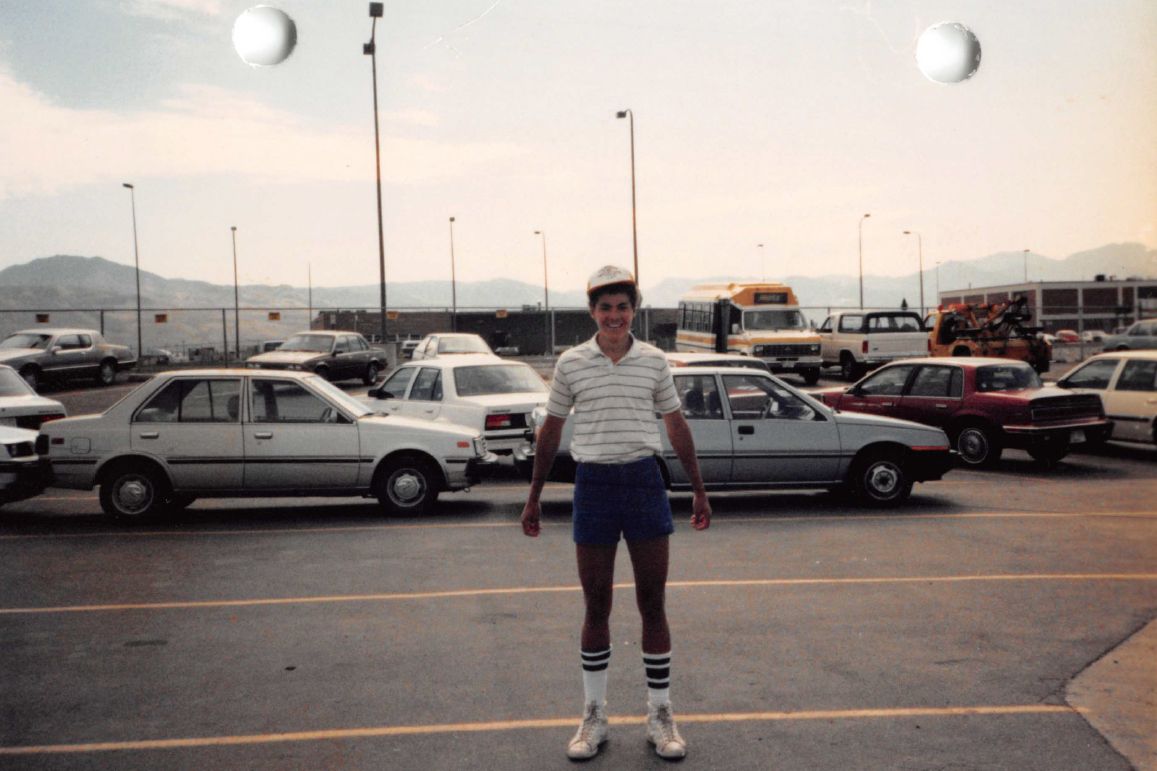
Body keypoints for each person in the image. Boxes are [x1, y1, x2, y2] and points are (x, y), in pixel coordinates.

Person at [521, 265, 712, 761]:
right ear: (592, 312)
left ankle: (661, 714)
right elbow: (551, 431)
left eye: (622, 307)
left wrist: (698, 489)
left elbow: (675, 425)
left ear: (634, 310)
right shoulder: (571, 363)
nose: (614, 316)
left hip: (645, 482)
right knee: (596, 603)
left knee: (653, 600)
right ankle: (594, 715)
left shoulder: (653, 361)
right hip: (595, 486)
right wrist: (534, 494)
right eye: (605, 307)